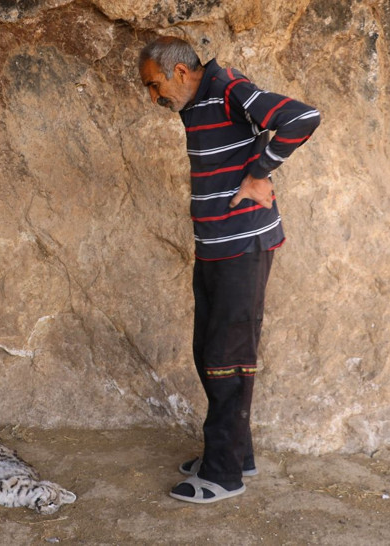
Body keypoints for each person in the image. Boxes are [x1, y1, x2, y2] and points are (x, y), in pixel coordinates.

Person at [138, 36, 320, 504]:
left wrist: (259, 173)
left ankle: (223, 475)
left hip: (243, 245)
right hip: (214, 248)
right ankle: (237, 453)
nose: (154, 98)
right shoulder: (195, 103)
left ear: (181, 71)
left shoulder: (228, 88)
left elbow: (302, 117)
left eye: (155, 85)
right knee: (210, 352)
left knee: (228, 359)